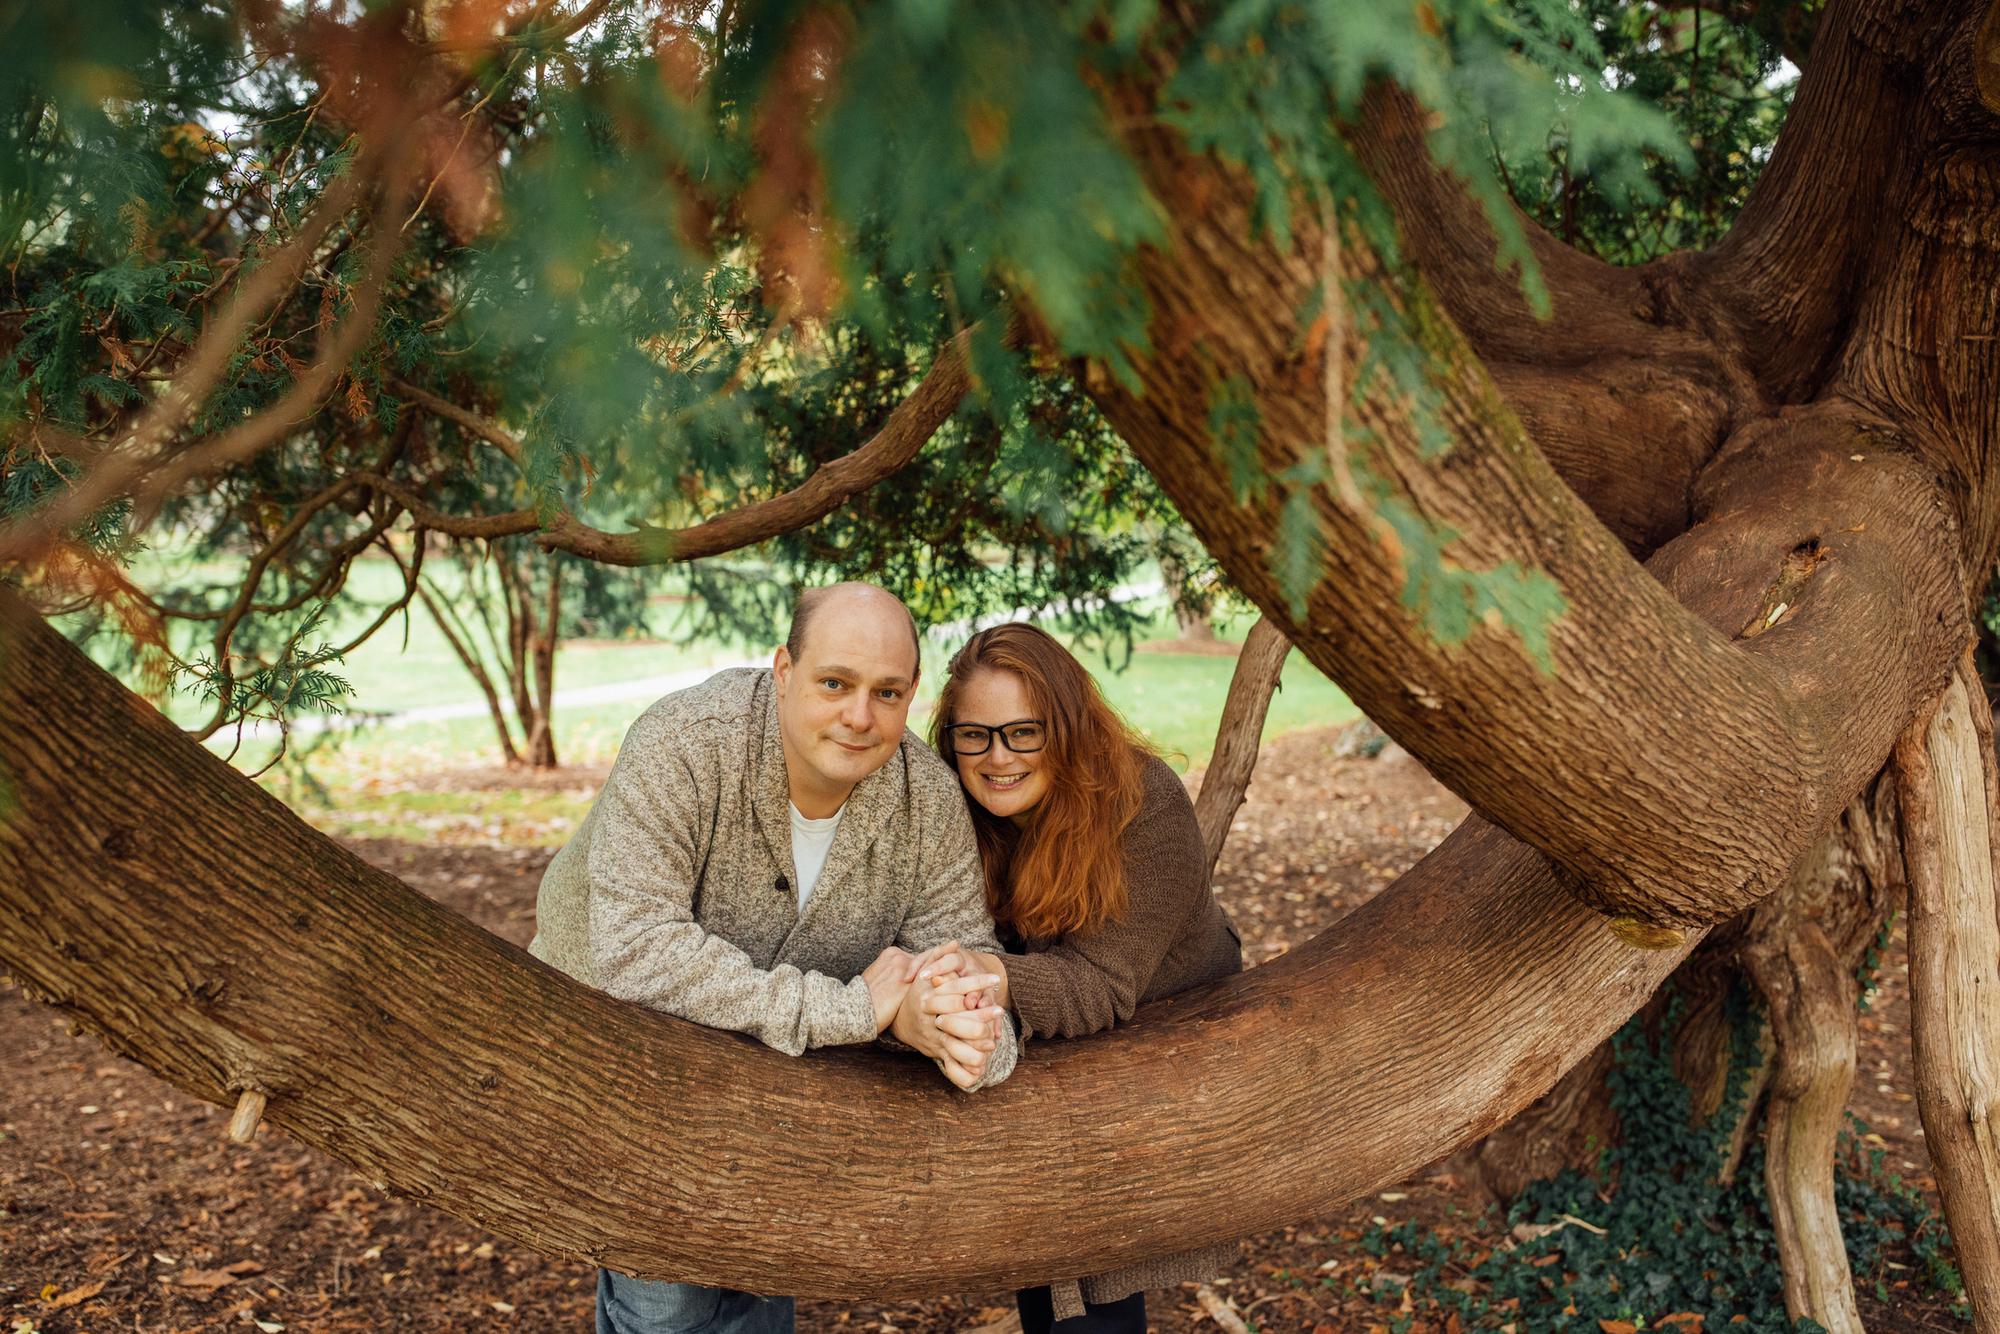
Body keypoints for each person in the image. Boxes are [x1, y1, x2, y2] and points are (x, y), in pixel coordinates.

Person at [528, 581, 1013, 1334]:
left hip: (773, 1082)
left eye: (887, 692)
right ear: (783, 671)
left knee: (760, 1284)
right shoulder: (685, 744)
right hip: (621, 1038)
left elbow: (966, 957)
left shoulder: (927, 800)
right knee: (668, 1309)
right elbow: (636, 951)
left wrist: (958, 1025)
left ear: (912, 695)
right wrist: (855, 1010)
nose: (860, 715)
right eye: (834, 683)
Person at [921, 621, 1244, 1334]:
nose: (996, 757)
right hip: (1051, 1049)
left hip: (1162, 1045)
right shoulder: (959, 808)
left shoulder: (1141, 802)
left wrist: (988, 977)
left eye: (1022, 733)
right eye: (974, 735)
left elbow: (1099, 985)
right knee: (1048, 1267)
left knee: (1089, 1289)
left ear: (1065, 728)